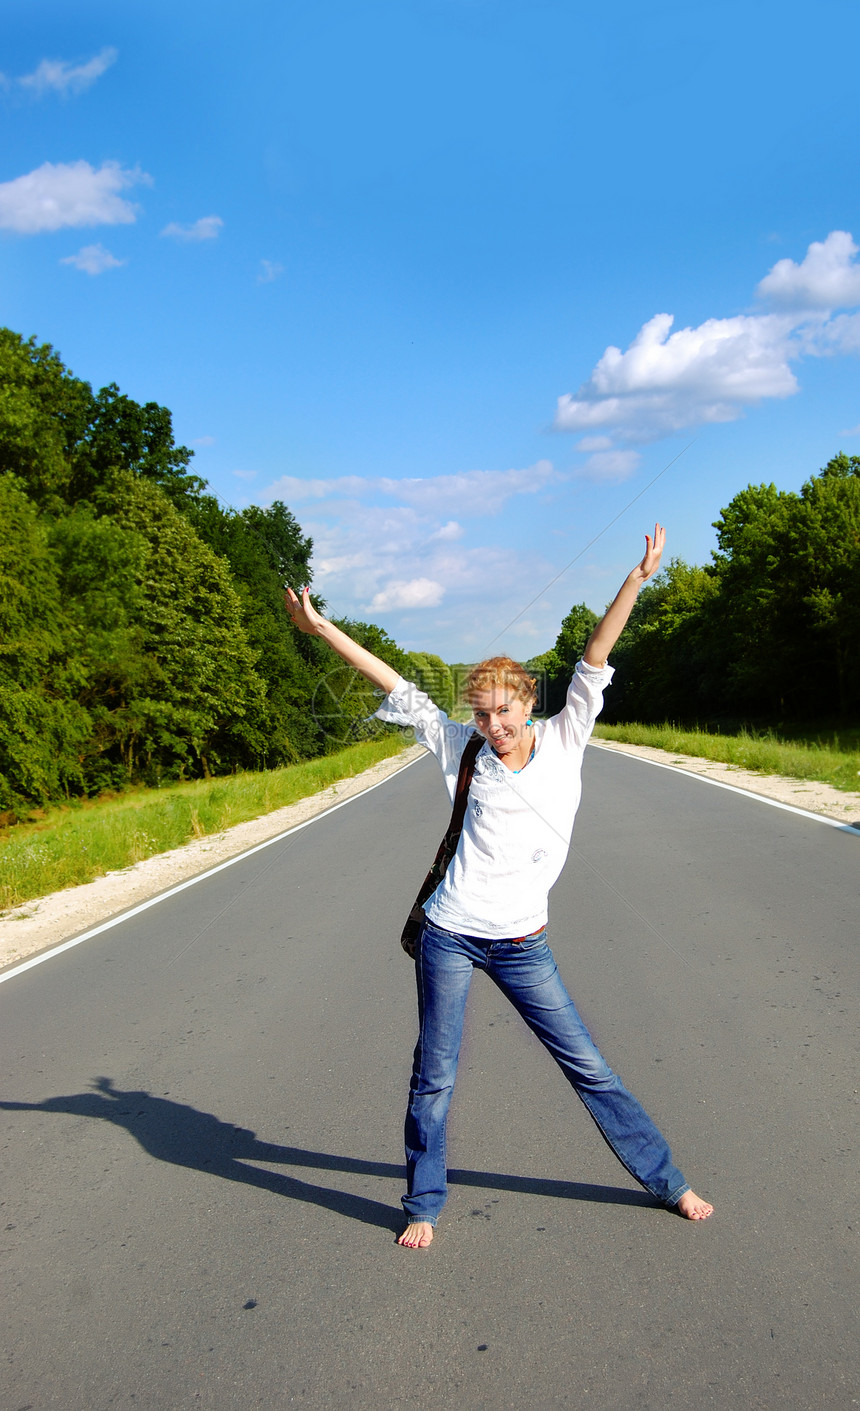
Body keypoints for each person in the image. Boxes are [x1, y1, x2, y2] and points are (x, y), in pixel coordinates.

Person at [285, 525, 714, 1248]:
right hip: (451, 934)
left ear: (528, 701)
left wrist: (637, 579)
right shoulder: (463, 747)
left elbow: (596, 655)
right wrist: (321, 625)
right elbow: (393, 682)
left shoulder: (569, 733)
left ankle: (668, 1180)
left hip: (524, 943)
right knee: (435, 1074)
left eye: (503, 713)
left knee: (590, 1067)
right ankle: (423, 1203)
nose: (493, 727)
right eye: (481, 715)